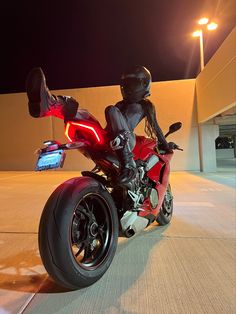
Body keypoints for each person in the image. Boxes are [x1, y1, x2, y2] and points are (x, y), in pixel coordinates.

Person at [26, 66, 173, 185]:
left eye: (133, 84)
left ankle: (127, 164)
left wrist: (166, 146)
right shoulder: (119, 106)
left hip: (127, 141)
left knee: (111, 109)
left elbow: (156, 129)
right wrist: (166, 147)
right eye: (126, 84)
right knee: (81, 113)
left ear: (144, 84)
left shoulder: (145, 106)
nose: (128, 88)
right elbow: (157, 131)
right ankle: (49, 104)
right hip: (111, 140)